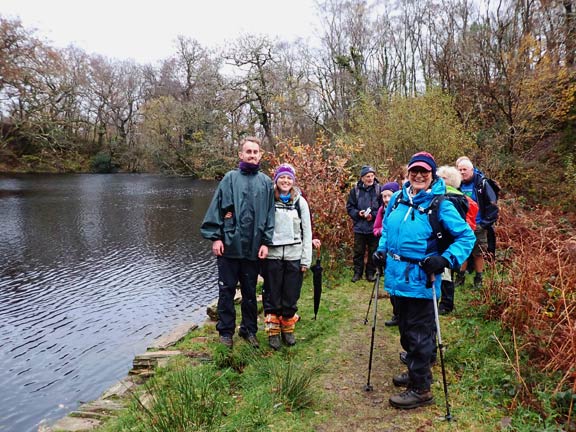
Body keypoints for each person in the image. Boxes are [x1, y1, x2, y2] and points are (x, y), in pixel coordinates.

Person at [372, 151, 475, 409]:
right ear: (407, 173)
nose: (418, 176)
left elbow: (466, 237)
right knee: (406, 330)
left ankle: (421, 389)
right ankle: (415, 371)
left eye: (424, 172)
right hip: (396, 278)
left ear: (432, 175)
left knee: (419, 334)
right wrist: (381, 251)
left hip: (422, 279)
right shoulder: (396, 198)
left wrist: (446, 259)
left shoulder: (441, 204)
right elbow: (387, 229)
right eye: (414, 171)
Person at [200, 136, 275, 349]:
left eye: (255, 152)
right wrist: (215, 237)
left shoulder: (266, 182)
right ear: (240, 154)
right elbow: (217, 208)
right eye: (248, 151)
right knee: (227, 291)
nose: (252, 155)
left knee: (250, 292)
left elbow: (270, 216)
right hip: (230, 247)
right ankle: (225, 332)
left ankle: (249, 330)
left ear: (260, 155)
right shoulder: (230, 179)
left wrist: (265, 242)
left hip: (253, 248)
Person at [261, 163, 312, 350]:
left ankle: (288, 329)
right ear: (276, 180)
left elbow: (308, 232)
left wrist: (306, 259)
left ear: (293, 181)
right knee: (272, 295)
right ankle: (273, 332)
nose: (285, 181)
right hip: (272, 256)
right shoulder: (268, 200)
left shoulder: (300, 202)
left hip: (294, 255)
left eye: (289, 178)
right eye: (282, 177)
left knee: (290, 296)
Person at [436, 165, 479, 315]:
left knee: (446, 275)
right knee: (443, 274)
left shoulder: (451, 198)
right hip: (444, 240)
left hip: (448, 241)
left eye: (443, 178)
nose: (439, 180)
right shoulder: (453, 196)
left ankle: (446, 304)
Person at [456, 157, 499, 288]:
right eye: (460, 170)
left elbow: (493, 206)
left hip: (479, 225)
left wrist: (484, 224)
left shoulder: (482, 183)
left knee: (478, 253)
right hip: (461, 225)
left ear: (472, 170)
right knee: (462, 252)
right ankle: (460, 277)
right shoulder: (457, 184)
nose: (462, 172)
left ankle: (478, 279)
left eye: (465, 169)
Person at [346, 166, 382, 282]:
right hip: (359, 227)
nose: (370, 178)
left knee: (373, 251)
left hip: (374, 227)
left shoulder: (379, 190)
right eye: (368, 176)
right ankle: (357, 273)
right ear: (362, 178)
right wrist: (358, 213)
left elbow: (383, 208)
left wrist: (373, 216)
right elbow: (350, 207)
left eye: (372, 176)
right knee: (358, 252)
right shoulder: (355, 191)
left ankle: (370, 273)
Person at [372, 181, 401, 325]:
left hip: (400, 253)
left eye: (389, 196)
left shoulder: (404, 208)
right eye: (384, 196)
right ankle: (396, 315)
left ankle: (402, 316)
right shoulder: (382, 210)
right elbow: (376, 228)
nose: (387, 199)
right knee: (391, 286)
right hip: (387, 252)